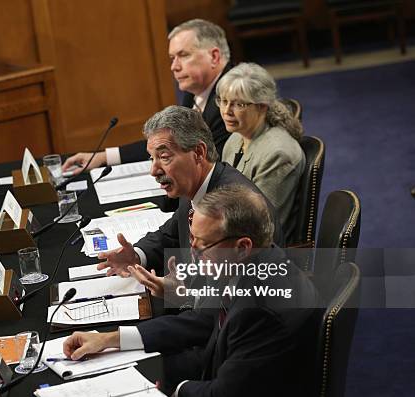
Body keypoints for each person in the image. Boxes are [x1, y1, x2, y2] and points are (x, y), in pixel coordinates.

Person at [63, 185, 320, 397]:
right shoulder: (250, 262)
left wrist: (172, 392)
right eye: (192, 238)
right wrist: (109, 339)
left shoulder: (258, 309)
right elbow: (204, 322)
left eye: (203, 244)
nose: (193, 252)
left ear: (242, 246)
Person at [97, 105, 283, 279]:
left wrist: (179, 293)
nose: (154, 170)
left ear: (199, 153)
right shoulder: (195, 185)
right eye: (151, 158)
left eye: (164, 157)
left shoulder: (232, 207)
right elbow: (171, 234)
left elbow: (238, 294)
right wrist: (136, 255)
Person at [62, 19, 232, 175]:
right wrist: (103, 157)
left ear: (214, 57)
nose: (174, 67)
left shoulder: (230, 99)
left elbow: (209, 165)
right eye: (172, 58)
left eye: (184, 55)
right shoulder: (193, 92)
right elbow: (169, 141)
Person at [217, 63, 305, 239]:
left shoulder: (278, 154)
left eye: (239, 104)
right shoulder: (236, 138)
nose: (227, 111)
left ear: (262, 106)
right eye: (224, 101)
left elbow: (258, 224)